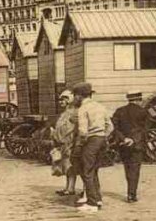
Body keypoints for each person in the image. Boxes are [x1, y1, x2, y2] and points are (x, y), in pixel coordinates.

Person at [72, 82, 110, 212]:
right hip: (101, 140)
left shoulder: (83, 109)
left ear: (79, 96)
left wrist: (79, 145)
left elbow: (83, 131)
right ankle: (97, 198)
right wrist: (103, 136)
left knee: (86, 171)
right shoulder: (101, 107)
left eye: (75, 95)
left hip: (90, 141)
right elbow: (110, 126)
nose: (74, 98)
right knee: (94, 170)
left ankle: (92, 203)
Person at [112, 90, 149, 203]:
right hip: (136, 145)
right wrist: (133, 139)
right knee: (135, 170)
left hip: (123, 145)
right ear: (139, 99)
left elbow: (114, 128)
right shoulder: (143, 112)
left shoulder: (119, 111)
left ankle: (130, 192)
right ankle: (131, 194)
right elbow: (144, 130)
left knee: (127, 169)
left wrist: (124, 139)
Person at [52, 90, 80, 196]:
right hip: (63, 143)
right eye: (60, 100)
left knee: (70, 166)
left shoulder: (73, 112)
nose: (61, 102)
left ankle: (71, 188)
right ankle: (68, 187)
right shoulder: (65, 113)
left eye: (63, 99)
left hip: (69, 143)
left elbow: (73, 128)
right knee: (65, 166)